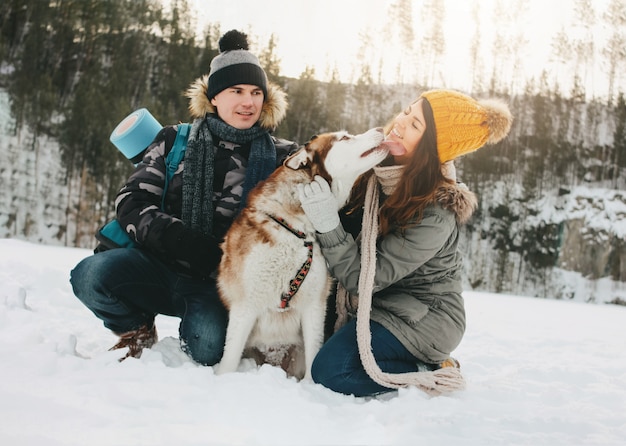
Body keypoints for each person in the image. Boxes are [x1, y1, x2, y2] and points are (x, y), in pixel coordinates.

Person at [70, 30, 296, 365]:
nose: (248, 102)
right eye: (236, 91)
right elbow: (131, 202)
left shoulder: (283, 157)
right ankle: (137, 329)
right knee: (89, 276)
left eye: (255, 92)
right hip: (157, 264)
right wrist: (184, 242)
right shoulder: (175, 139)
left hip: (219, 286)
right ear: (214, 97)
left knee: (206, 347)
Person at [299, 89, 513, 396]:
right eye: (407, 112)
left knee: (332, 370)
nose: (400, 123)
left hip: (425, 318)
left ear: (430, 149)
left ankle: (433, 371)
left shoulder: (436, 212)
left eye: (415, 125)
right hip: (381, 304)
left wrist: (327, 225)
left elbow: (363, 278)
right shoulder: (378, 170)